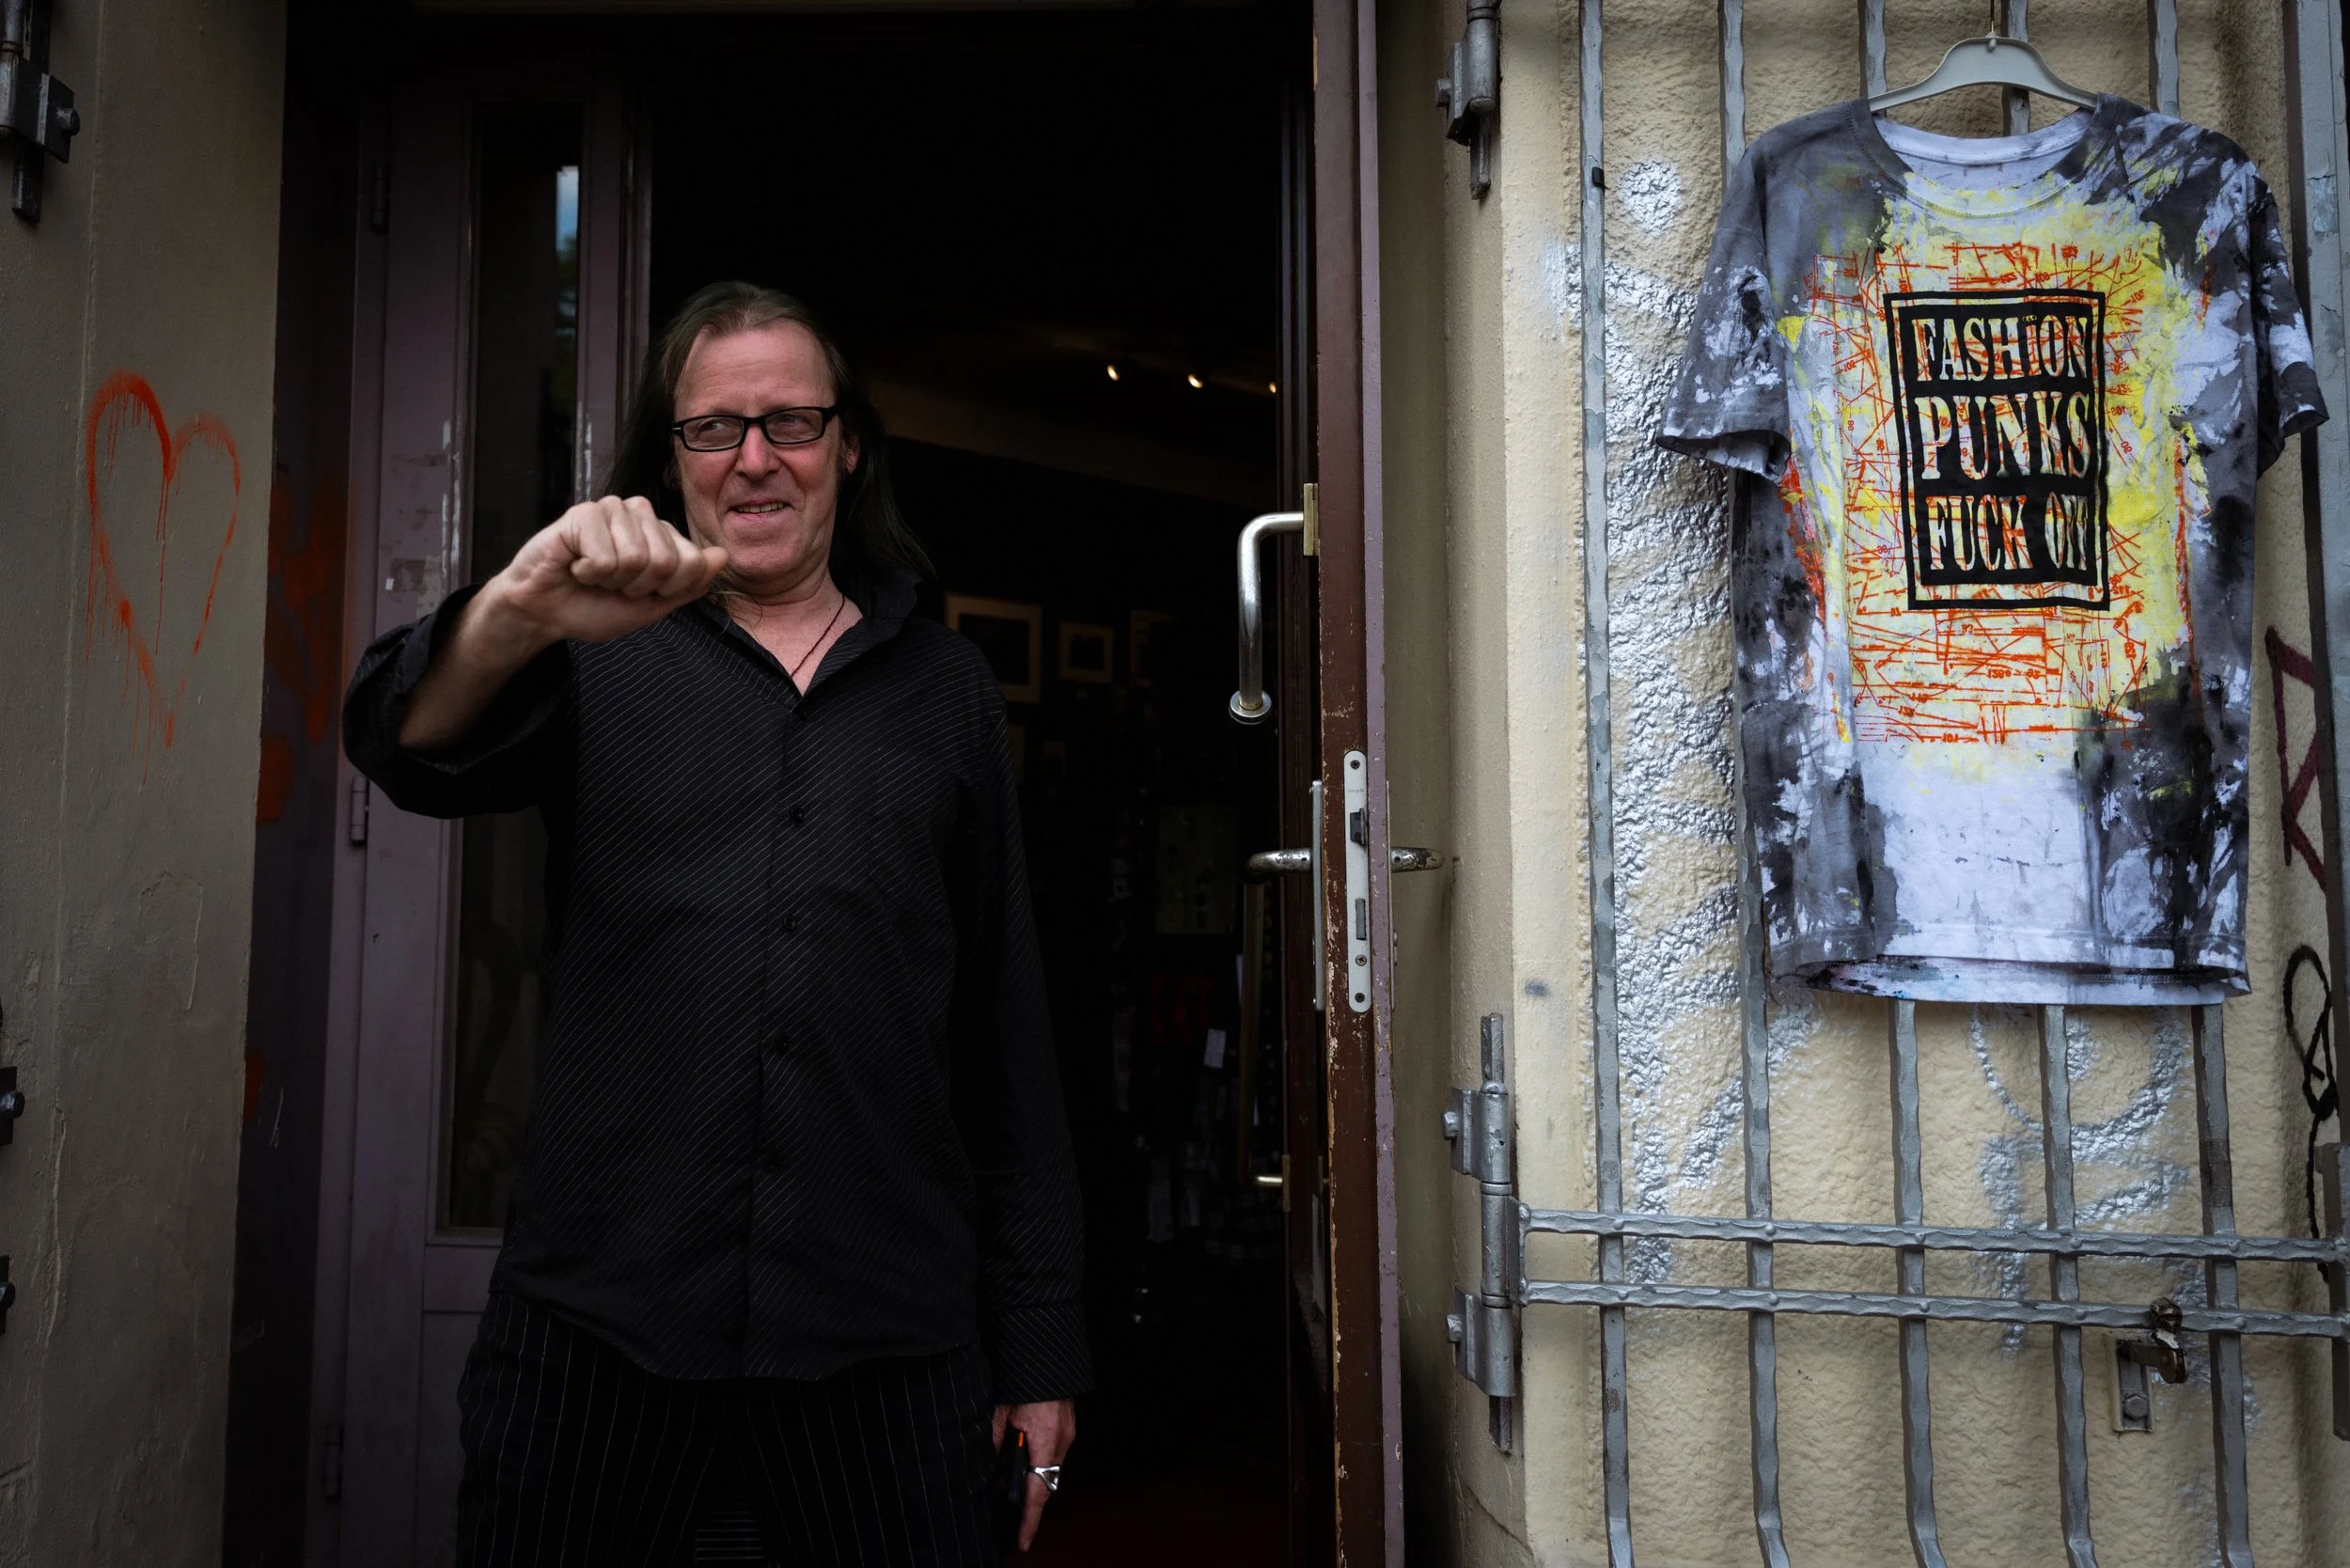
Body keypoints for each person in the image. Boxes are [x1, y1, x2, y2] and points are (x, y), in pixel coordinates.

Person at [344, 281, 1087, 1567]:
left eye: (791, 421)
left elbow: (1004, 1040)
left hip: (888, 1343)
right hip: (599, 1328)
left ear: (849, 445)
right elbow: (402, 746)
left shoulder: (945, 690)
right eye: (715, 428)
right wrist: (521, 604)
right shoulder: (593, 651)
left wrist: (1039, 1349)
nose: (756, 459)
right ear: (668, 457)